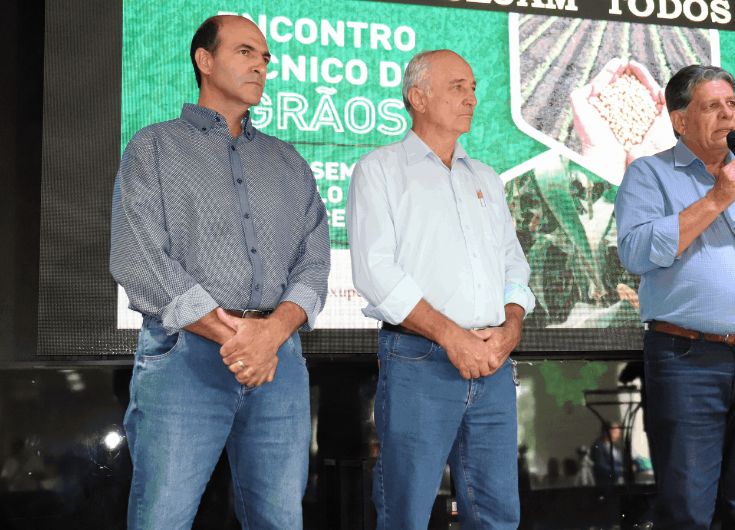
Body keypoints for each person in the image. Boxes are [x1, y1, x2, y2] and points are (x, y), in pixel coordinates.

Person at [110, 15, 329, 529]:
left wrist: (270, 335)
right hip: (184, 358)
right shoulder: (154, 148)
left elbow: (315, 261)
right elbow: (137, 256)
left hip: (278, 363)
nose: (261, 64)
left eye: (266, 57)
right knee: (161, 519)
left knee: (280, 521)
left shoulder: (289, 161)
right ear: (204, 61)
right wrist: (237, 338)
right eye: (246, 52)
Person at [347, 49, 535, 529]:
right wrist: (453, 337)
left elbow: (514, 262)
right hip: (420, 360)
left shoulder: (487, 179)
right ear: (417, 97)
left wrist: (511, 324)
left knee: (497, 515)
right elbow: (375, 271)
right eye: (457, 87)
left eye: (473, 88)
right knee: (406, 511)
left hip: (492, 363)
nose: (471, 98)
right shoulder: (380, 170)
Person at [615, 64, 735, 529]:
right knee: (687, 509)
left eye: (730, 104)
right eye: (711, 106)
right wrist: (717, 197)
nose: (726, 116)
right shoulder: (649, 175)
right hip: (689, 361)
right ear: (680, 119)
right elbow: (636, 252)